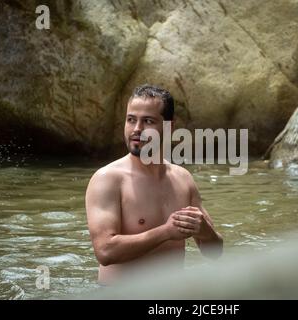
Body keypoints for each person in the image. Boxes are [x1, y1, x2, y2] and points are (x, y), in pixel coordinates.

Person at [85, 84, 223, 284]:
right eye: (131, 120)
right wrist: (165, 232)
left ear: (169, 127)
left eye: (148, 121)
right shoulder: (108, 179)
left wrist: (204, 230)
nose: (137, 129)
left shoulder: (182, 179)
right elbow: (105, 252)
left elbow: (214, 253)